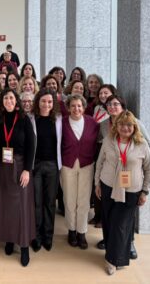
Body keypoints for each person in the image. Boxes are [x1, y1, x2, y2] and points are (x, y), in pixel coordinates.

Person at [95, 110, 150, 275]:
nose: (125, 128)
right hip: (108, 186)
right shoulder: (109, 140)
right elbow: (99, 163)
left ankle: (112, 260)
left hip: (131, 190)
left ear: (134, 127)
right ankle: (115, 254)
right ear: (116, 126)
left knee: (120, 224)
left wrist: (145, 192)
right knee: (109, 222)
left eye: (129, 125)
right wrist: (97, 183)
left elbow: (149, 169)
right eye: (121, 124)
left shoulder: (142, 144)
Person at [0, 89, 36, 267]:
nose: (9, 101)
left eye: (11, 98)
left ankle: (24, 245)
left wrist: (27, 170)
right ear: (2, 101)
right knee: (5, 206)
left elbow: (32, 145)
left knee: (21, 207)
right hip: (2, 167)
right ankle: (9, 239)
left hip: (20, 166)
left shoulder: (24, 119)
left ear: (16, 100)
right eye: (5, 98)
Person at [60, 94, 98, 250]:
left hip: (86, 164)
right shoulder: (61, 123)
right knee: (69, 199)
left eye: (79, 106)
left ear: (84, 107)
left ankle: (82, 232)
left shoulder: (93, 123)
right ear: (68, 108)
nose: (76, 108)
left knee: (83, 200)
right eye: (73, 106)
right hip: (67, 164)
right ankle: (71, 230)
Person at [29, 89, 61, 252]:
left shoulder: (59, 120)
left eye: (50, 102)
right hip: (35, 165)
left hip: (52, 165)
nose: (46, 104)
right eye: (43, 101)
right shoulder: (31, 119)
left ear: (53, 103)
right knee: (36, 202)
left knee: (49, 202)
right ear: (38, 102)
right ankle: (36, 236)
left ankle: (48, 236)